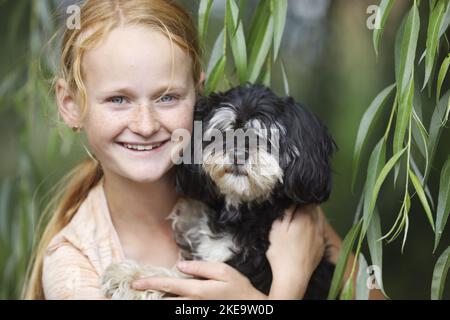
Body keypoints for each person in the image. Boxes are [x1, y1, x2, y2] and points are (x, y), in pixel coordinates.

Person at [23, 0, 383, 300]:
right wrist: (286, 288)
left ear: (198, 97)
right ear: (70, 105)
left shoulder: (280, 210)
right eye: (118, 99)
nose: (145, 125)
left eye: (168, 97)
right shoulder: (74, 266)